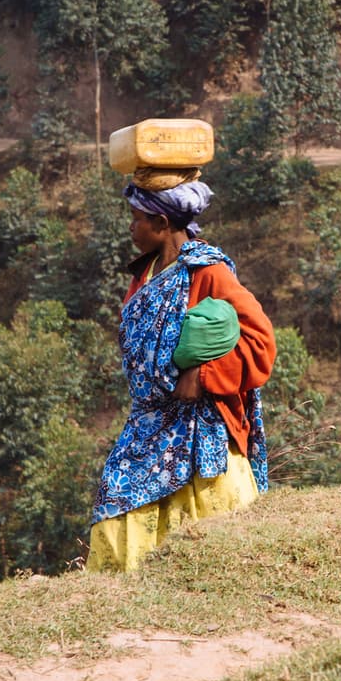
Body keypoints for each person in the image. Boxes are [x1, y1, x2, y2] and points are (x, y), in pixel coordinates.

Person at [85, 179, 276, 572]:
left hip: (200, 425)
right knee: (116, 504)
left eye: (136, 219)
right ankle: (124, 593)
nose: (130, 228)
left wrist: (201, 375)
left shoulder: (209, 272)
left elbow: (260, 346)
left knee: (212, 522)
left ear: (160, 221)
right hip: (149, 419)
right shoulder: (147, 273)